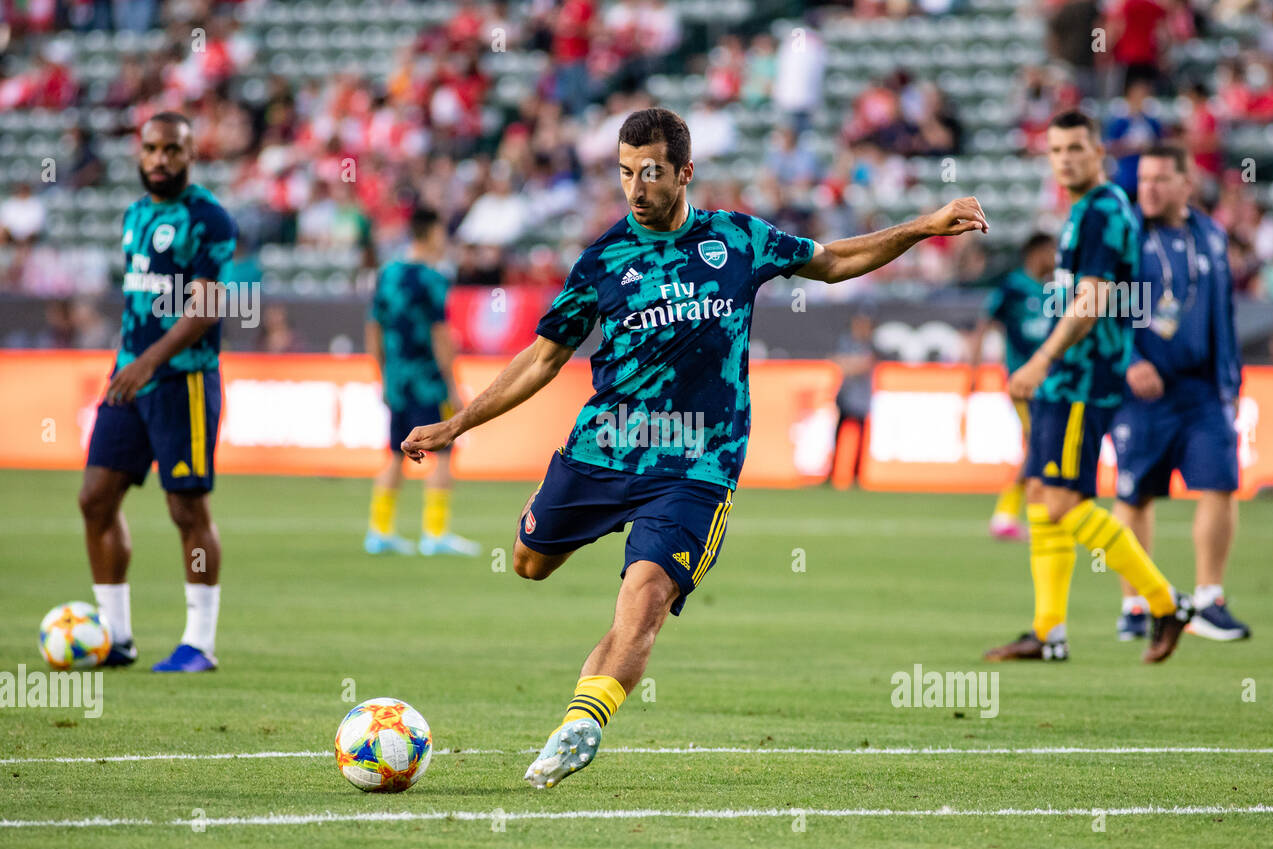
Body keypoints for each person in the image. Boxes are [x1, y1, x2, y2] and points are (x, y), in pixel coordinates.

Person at [401, 107, 989, 788]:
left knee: (644, 593)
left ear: (684, 172)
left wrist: (921, 225)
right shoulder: (602, 261)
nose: (634, 188)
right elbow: (541, 360)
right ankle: (580, 663)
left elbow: (832, 262)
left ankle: (580, 725)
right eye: (624, 173)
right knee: (528, 561)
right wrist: (457, 424)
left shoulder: (739, 239)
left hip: (697, 465)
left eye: (648, 172)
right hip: (605, 448)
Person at [983, 110, 1191, 665]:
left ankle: (1165, 602)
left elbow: (1095, 297)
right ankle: (1048, 632)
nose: (1066, 158)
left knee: (1063, 501)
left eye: (1076, 147)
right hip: (1065, 378)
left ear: (1100, 151)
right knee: (1038, 494)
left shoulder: (1102, 210)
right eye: (1056, 150)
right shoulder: (1080, 212)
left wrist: (1042, 360)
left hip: (1081, 377)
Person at [78, 113, 237, 672]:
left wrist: (147, 362)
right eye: (151, 148)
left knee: (186, 508)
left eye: (173, 149)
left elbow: (207, 307)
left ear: (191, 153)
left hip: (182, 380)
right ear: (139, 152)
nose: (160, 158)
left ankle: (199, 642)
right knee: (95, 499)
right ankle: (114, 636)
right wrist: (133, 364)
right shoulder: (135, 214)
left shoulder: (208, 218)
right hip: (128, 379)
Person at [1112, 144, 1249, 642]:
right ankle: (1136, 603)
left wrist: (1230, 378)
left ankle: (1209, 598)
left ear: (1185, 185)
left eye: (1160, 179)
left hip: (1202, 388)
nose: (1147, 188)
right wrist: (1129, 361)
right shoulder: (1124, 234)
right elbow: (1099, 305)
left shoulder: (1210, 235)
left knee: (1221, 482)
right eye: (1143, 179)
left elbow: (1223, 313)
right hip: (1141, 391)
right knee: (1136, 493)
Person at [364, 206, 479, 557]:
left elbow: (373, 328)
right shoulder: (432, 278)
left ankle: (379, 530)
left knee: (394, 455)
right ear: (430, 234)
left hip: (397, 379)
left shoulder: (387, 274)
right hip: (428, 379)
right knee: (443, 454)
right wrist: (453, 383)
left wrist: (381, 375)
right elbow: (440, 334)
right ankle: (435, 533)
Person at [969, 233, 1055, 540]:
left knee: (1040, 446)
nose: (1055, 256)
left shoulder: (1054, 288)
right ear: (1036, 252)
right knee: (1040, 445)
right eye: (1050, 250)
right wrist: (974, 370)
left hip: (1052, 381)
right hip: (1023, 382)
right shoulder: (1013, 287)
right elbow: (983, 324)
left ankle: (1018, 513)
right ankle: (1012, 513)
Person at [827, 313, 876, 487]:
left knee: (860, 441)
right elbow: (835, 361)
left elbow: (863, 364)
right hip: (845, 397)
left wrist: (849, 364)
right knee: (837, 438)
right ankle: (832, 474)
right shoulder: (847, 342)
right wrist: (853, 364)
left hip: (861, 399)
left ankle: (856, 476)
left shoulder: (869, 344)